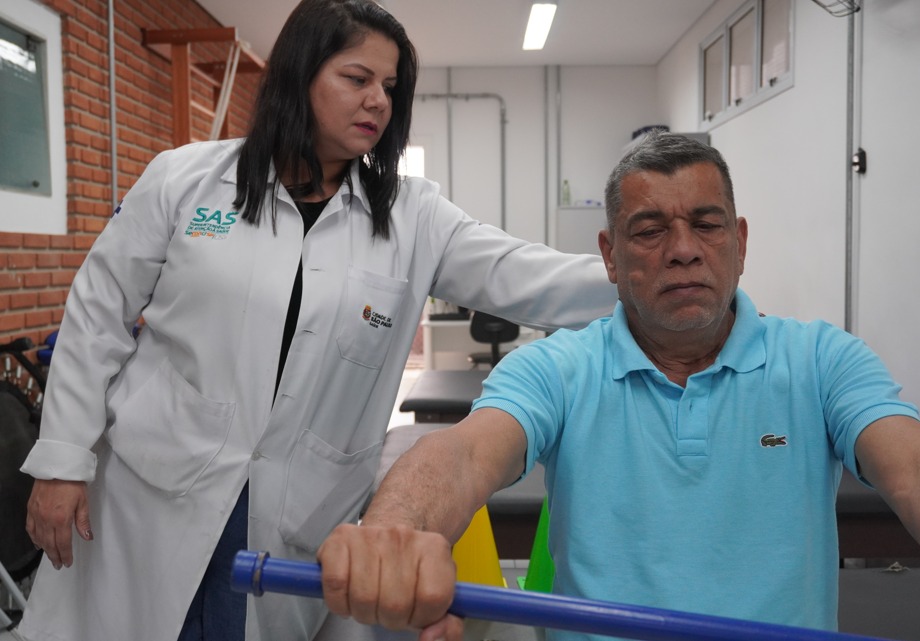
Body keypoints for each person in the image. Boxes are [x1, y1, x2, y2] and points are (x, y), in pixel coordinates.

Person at [16, 2, 618, 641]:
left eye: (389, 87)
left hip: (293, 510)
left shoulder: (414, 216)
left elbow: (530, 276)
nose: (378, 102)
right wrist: (62, 459)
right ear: (300, 74)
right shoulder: (186, 180)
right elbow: (97, 314)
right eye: (357, 79)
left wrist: (659, 279)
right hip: (147, 490)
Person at [316, 131, 920, 641]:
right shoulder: (557, 369)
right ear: (610, 255)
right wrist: (393, 529)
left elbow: (908, 462)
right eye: (650, 231)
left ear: (739, 241)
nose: (683, 251)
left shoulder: (822, 361)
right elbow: (464, 454)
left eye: (706, 225)